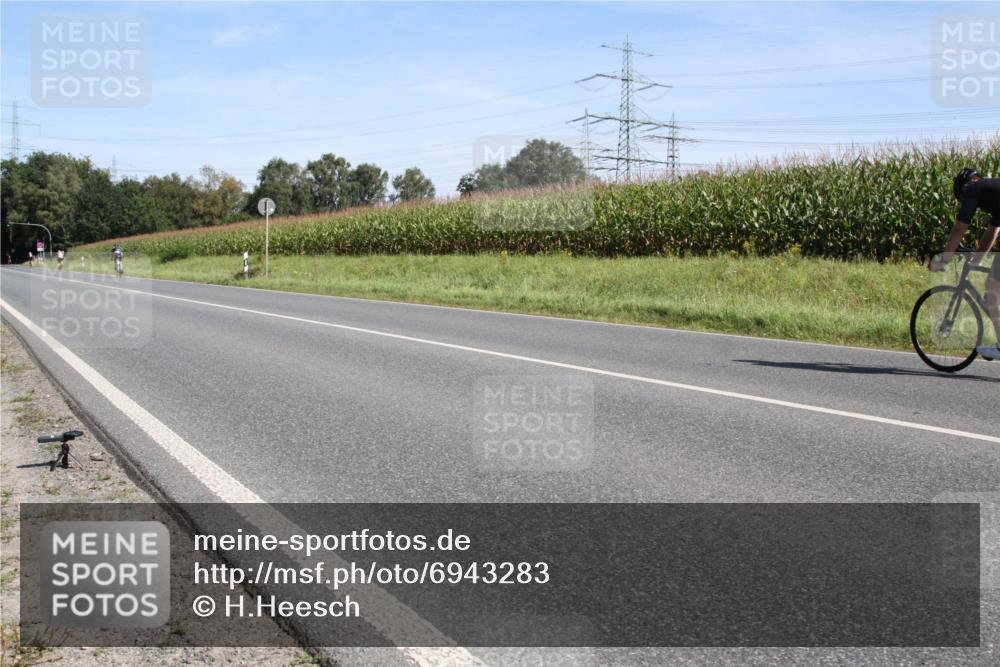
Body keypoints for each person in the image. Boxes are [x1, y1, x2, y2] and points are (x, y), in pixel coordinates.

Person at [929, 168, 1000, 360]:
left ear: (962, 189)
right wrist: (977, 259)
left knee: (992, 287)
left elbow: (960, 227)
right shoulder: (993, 192)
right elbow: (993, 231)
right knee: (993, 292)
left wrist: (944, 258)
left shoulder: (973, 189)